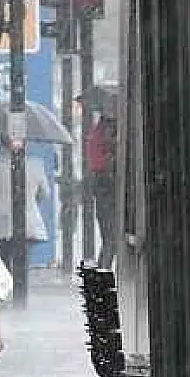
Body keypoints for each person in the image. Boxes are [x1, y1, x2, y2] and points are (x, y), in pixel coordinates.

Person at [0, 135, 51, 269]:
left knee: (2, 263)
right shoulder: (36, 164)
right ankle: (20, 288)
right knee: (22, 263)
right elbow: (44, 193)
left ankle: (8, 285)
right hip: (27, 223)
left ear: (1, 143)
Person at [85, 108, 118, 269]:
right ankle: (103, 273)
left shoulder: (96, 131)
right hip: (107, 184)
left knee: (108, 238)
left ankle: (102, 273)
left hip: (100, 185)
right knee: (111, 239)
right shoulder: (106, 131)